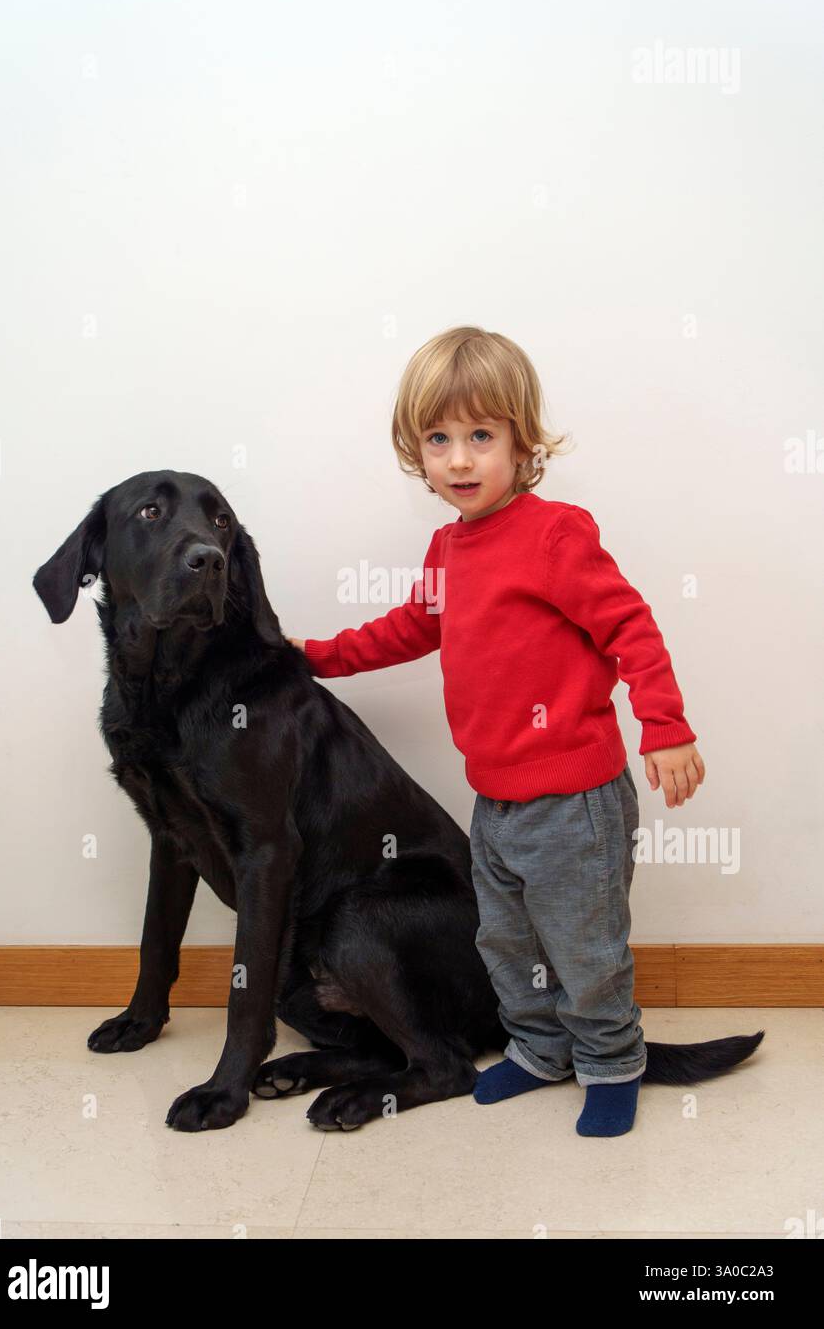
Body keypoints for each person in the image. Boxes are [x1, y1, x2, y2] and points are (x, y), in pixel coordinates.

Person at [287, 325, 705, 1137]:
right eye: (439, 440)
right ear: (418, 453)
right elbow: (414, 627)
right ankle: (541, 1049)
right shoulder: (448, 548)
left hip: (575, 801)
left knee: (585, 949)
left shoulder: (554, 534)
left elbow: (632, 627)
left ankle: (612, 1061)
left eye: (482, 435)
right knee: (507, 945)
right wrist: (321, 657)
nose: (461, 459)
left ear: (521, 440)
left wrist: (667, 728)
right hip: (497, 802)